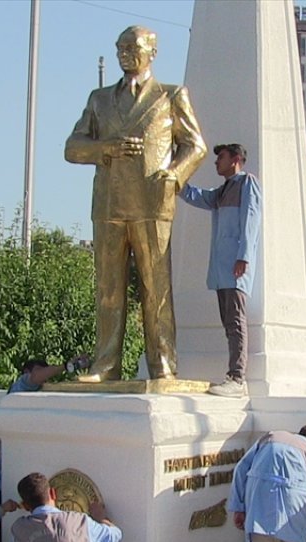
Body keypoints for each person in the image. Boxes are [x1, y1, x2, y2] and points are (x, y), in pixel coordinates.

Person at [64, 25, 207, 383]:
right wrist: (105, 148)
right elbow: (72, 147)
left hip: (152, 204)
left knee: (155, 288)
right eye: (120, 47)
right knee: (108, 290)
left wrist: (174, 175)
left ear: (152, 52)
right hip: (109, 206)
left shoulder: (171, 95)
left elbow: (195, 146)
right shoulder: (99, 99)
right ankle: (105, 364)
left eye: (133, 46)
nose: (125, 53)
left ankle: (162, 364)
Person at [0, 356, 89, 542]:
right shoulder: (21, 388)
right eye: (40, 370)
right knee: (6, 535)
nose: (44, 376)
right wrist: (68, 366)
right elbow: (35, 378)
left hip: (26, 479)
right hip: (7, 479)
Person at [179, 143, 261, 398]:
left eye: (221, 158)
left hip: (234, 266)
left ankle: (237, 377)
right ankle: (233, 374)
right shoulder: (223, 190)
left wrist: (243, 256)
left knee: (236, 322)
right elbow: (197, 197)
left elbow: (251, 219)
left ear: (236, 159)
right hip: (222, 268)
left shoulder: (247, 183)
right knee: (228, 323)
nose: (217, 163)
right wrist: (175, 180)